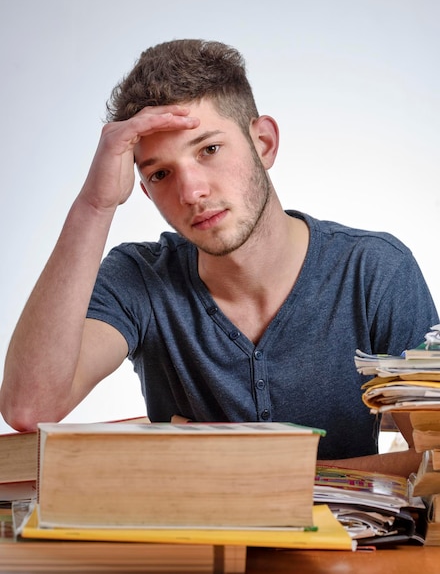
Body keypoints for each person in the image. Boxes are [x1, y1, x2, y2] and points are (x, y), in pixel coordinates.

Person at [0, 39, 437, 477]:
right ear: (146, 191)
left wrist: (249, 474)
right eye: (160, 173)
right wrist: (95, 205)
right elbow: (29, 406)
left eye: (208, 150)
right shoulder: (137, 279)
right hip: (190, 547)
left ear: (263, 143)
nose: (191, 193)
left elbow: (433, 461)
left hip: (345, 546)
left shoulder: (376, 272)